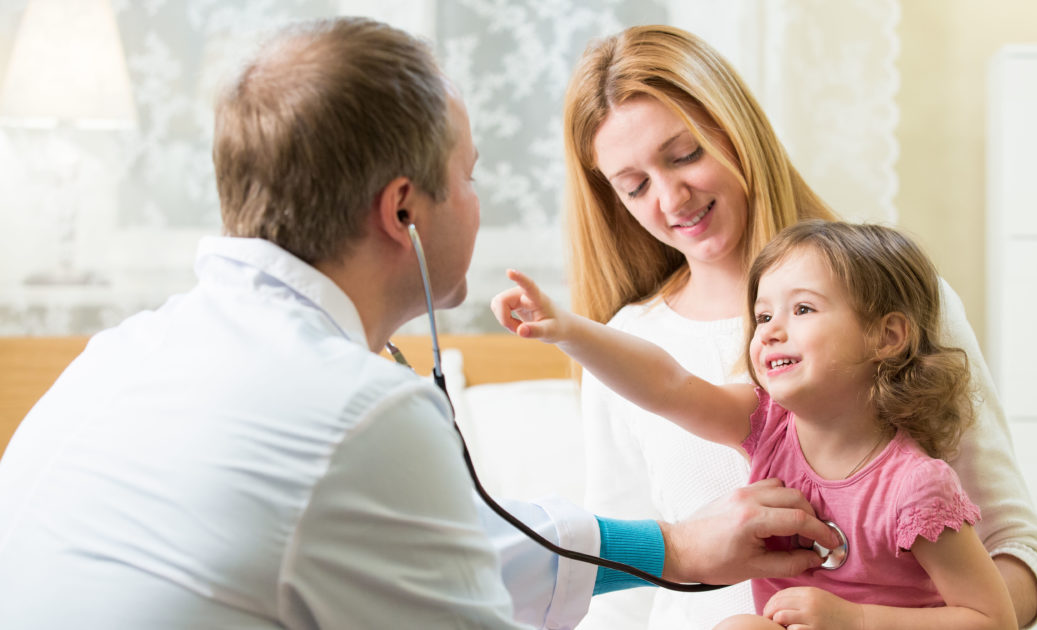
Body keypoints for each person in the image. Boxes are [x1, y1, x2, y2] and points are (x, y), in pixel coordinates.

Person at [0, 18, 843, 629]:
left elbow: (451, 546)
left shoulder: (120, 355)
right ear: (403, 209)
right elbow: (460, 584)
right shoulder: (358, 413)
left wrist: (676, 547)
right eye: (469, 175)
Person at [560, 24, 1037, 629]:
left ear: (736, 131)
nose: (670, 199)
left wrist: (872, 621)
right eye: (635, 187)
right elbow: (622, 592)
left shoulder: (887, 300)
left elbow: (1019, 547)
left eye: (686, 154)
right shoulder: (626, 346)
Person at [493, 220, 1018, 630]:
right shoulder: (769, 426)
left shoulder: (915, 486)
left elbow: (990, 618)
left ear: (887, 337)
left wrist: (855, 621)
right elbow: (668, 385)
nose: (770, 332)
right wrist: (569, 331)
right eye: (763, 317)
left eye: (803, 309)